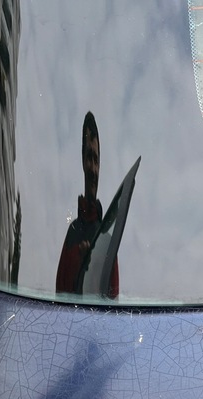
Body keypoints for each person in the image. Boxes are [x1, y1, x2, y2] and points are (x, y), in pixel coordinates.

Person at [56, 111, 116, 295]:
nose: (92, 167)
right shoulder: (72, 233)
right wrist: (79, 261)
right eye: (89, 157)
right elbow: (60, 294)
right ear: (82, 162)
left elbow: (113, 299)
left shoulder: (107, 240)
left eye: (96, 160)